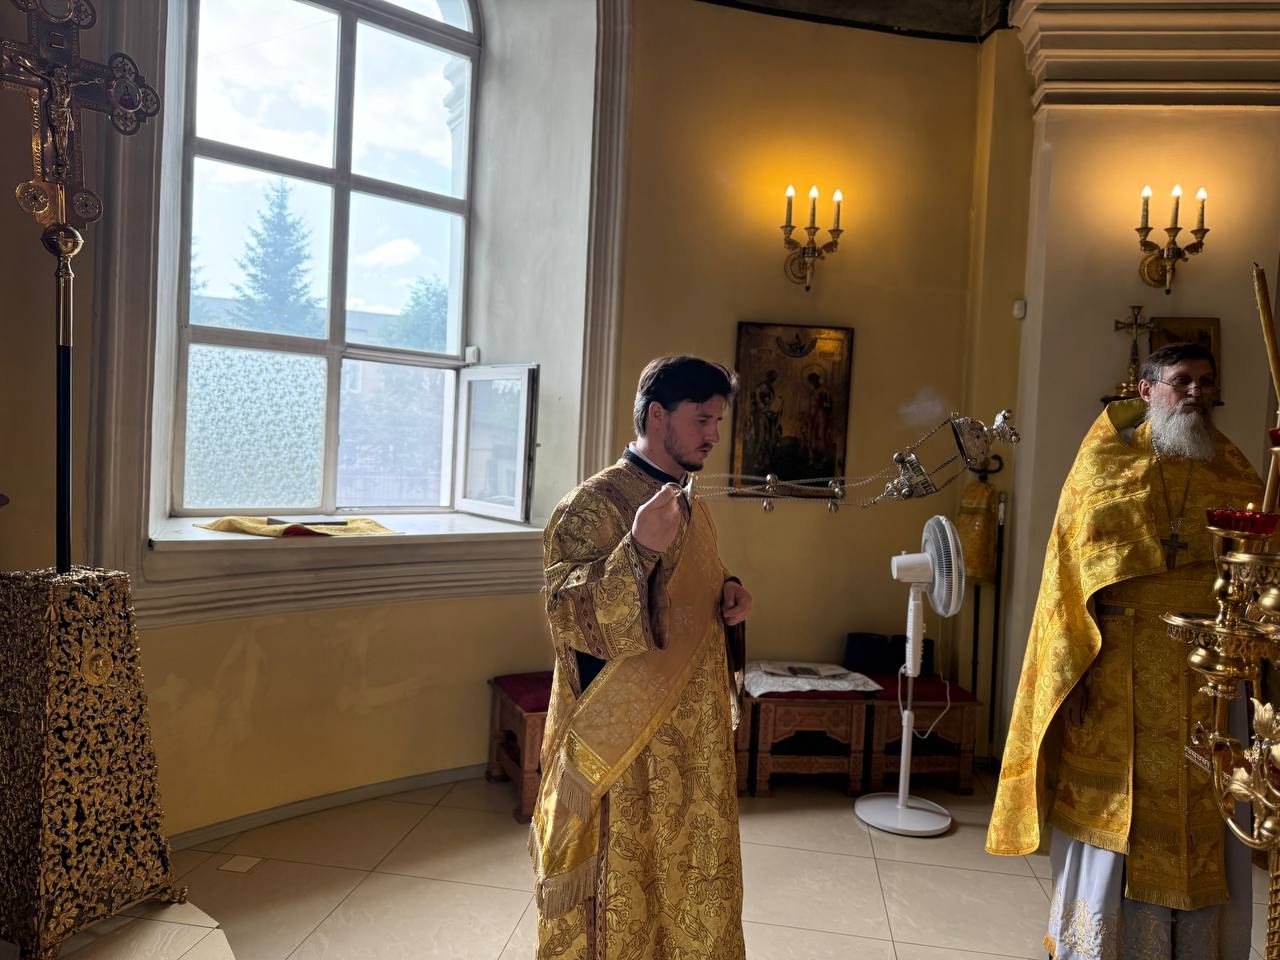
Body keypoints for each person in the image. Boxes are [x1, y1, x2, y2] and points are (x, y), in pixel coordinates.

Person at [986, 342, 1261, 958]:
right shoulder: (1103, 463)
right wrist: (1071, 676)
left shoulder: (1240, 473)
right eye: (1182, 380)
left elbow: (1256, 576)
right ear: (1146, 389)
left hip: (1209, 675)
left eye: (1207, 381)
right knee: (1112, 810)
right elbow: (1067, 581)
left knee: (1205, 806)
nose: (1196, 392)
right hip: (1117, 668)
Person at [531, 355, 751, 959]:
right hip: (626, 747)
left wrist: (729, 591)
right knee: (628, 884)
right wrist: (635, 550)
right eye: (702, 419)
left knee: (692, 876)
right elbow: (566, 614)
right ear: (658, 415)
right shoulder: (590, 505)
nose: (713, 434)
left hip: (694, 741)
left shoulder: (688, 500)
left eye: (718, 421)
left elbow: (693, 583)